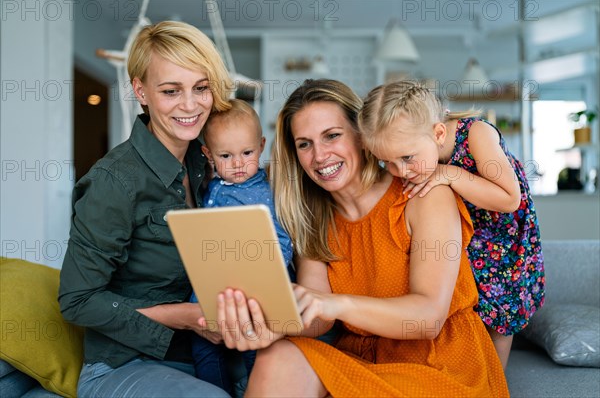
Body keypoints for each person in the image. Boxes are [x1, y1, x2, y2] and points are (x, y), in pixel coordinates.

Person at [210, 79, 509, 397]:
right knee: (277, 356)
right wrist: (269, 326)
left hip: (440, 363)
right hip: (362, 359)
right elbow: (317, 318)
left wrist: (336, 304)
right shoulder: (315, 217)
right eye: (304, 144)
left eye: (332, 136)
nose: (320, 155)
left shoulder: (423, 193)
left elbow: (427, 318)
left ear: (363, 136)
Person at [58, 21, 234, 398]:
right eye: (171, 91)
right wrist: (187, 317)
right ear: (140, 90)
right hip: (122, 364)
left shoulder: (207, 162)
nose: (190, 105)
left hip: (204, 354)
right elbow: (77, 302)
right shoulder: (114, 181)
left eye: (201, 88)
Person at [358, 80, 545, 369]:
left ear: (439, 132)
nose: (401, 172)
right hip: (469, 237)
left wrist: (449, 174)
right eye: (387, 163)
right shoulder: (416, 154)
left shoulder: (476, 135)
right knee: (466, 308)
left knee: (499, 316)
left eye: (407, 158)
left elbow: (510, 199)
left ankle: (496, 380)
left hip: (503, 241)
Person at [189, 98, 295, 393]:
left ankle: (253, 388)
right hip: (212, 287)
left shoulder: (268, 193)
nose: (237, 163)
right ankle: (217, 391)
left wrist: (266, 272)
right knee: (204, 346)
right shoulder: (211, 186)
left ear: (261, 146)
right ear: (208, 154)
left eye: (247, 153)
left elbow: (283, 242)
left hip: (255, 288)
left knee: (256, 348)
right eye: (225, 155)